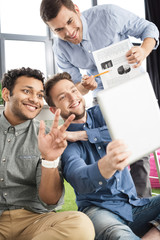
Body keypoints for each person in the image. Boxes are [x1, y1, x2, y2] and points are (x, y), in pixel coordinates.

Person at [40, 0, 159, 198]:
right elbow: (75, 89)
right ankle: (112, 198)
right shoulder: (60, 49)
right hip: (103, 98)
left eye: (70, 21)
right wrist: (84, 87)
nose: (68, 32)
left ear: (76, 10)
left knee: (138, 150)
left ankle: (141, 201)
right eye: (59, 29)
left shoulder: (108, 15)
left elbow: (149, 28)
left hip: (133, 89)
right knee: (106, 143)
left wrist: (144, 50)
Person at [44, 72, 160, 240]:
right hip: (99, 211)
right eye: (63, 97)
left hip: (133, 206)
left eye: (73, 90)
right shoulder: (65, 145)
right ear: (55, 110)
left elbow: (129, 127)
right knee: (118, 235)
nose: (72, 97)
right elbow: (80, 179)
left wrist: (83, 134)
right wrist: (107, 165)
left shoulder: (102, 113)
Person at [0, 67, 95, 240]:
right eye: (26, 91)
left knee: (80, 224)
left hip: (35, 221)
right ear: (6, 94)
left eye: (39, 95)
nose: (34, 99)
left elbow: (50, 201)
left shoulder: (45, 137)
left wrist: (49, 160)